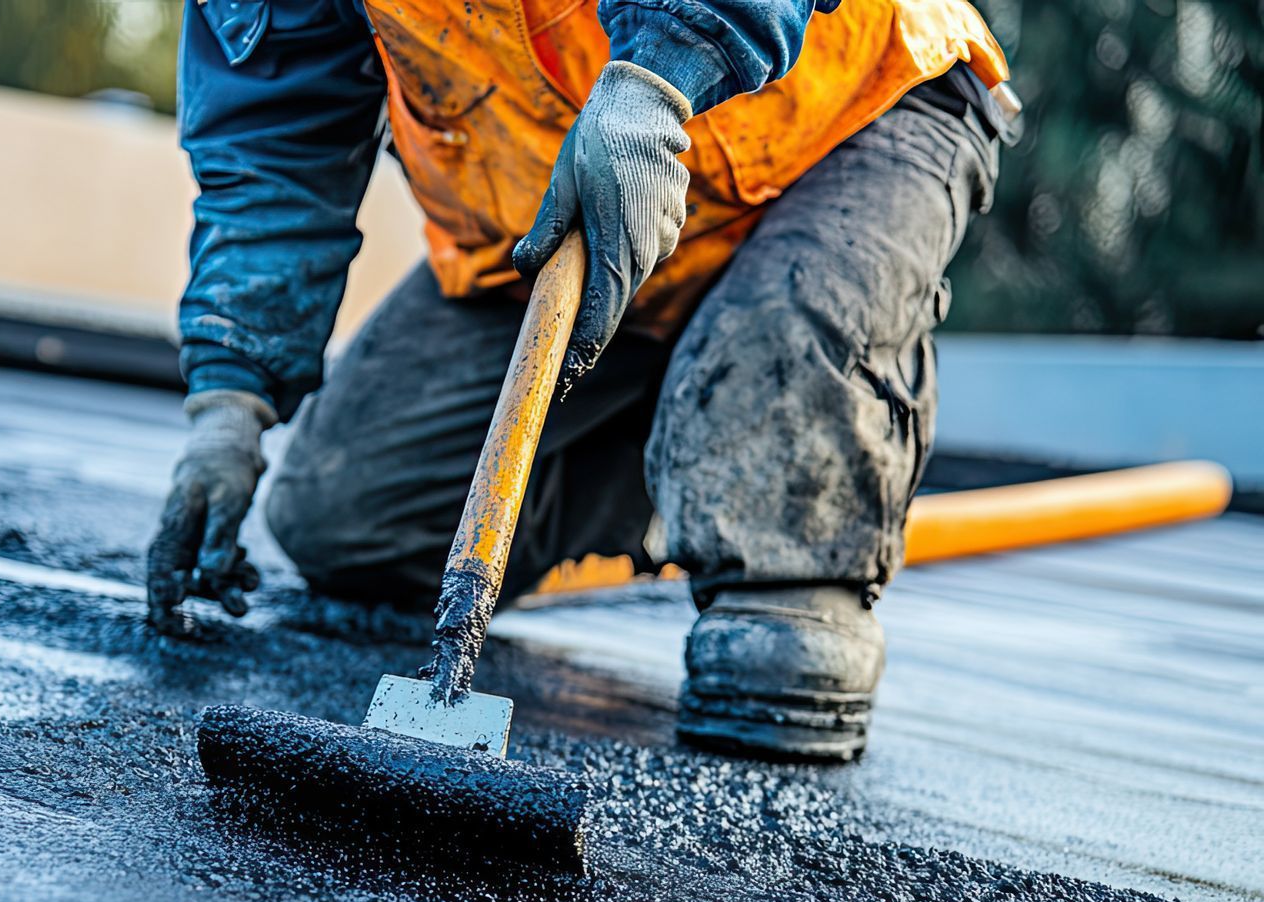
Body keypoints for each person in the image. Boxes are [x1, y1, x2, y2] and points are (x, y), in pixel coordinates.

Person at [145, 0, 1017, 762]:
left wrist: (660, 79)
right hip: (572, 215)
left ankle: (782, 540)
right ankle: (703, 422)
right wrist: (230, 401)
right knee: (344, 524)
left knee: (771, 664)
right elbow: (273, 144)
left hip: (842, 123)